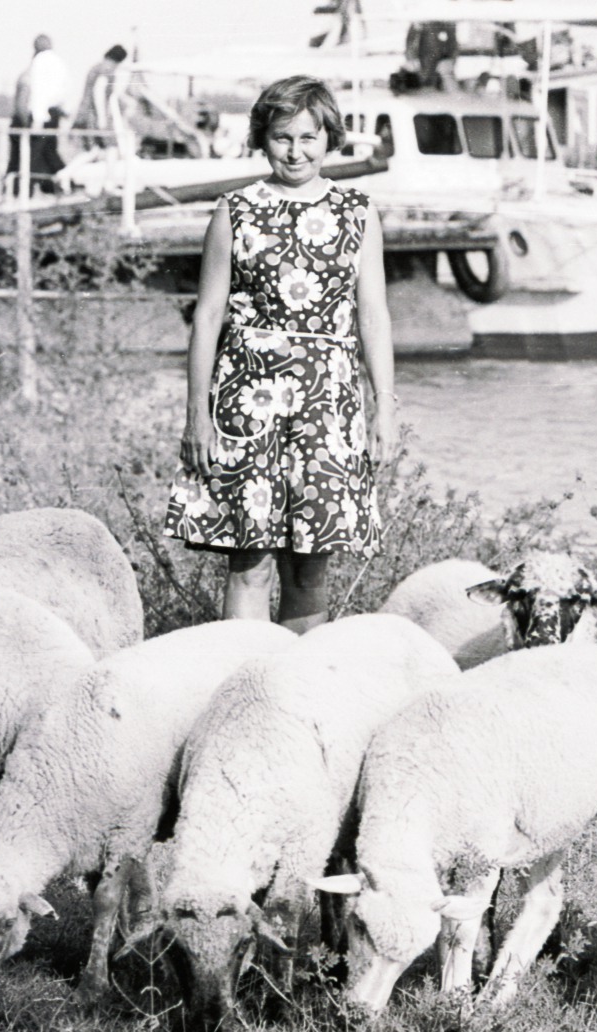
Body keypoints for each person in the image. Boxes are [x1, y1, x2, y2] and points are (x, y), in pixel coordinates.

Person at [163, 75, 397, 633]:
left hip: (328, 405)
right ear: (262, 140)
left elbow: (373, 316)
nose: (296, 151)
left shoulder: (358, 212)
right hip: (247, 400)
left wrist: (383, 407)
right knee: (250, 563)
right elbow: (208, 316)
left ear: (329, 138)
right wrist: (198, 413)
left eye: (309, 137)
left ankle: (299, 696)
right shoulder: (235, 210)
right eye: (282, 138)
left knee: (309, 570)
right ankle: (239, 688)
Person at [8, 34, 67, 195]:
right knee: (44, 152)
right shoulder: (57, 63)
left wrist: (33, 121)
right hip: (45, 114)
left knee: (34, 154)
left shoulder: (36, 68)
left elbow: (33, 98)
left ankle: (22, 190)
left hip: (36, 116)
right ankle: (59, 184)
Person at [71, 44, 129, 151]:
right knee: (110, 147)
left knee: (95, 150)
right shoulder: (106, 70)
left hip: (87, 113)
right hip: (94, 115)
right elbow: (98, 92)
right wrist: (102, 118)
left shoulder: (96, 67)